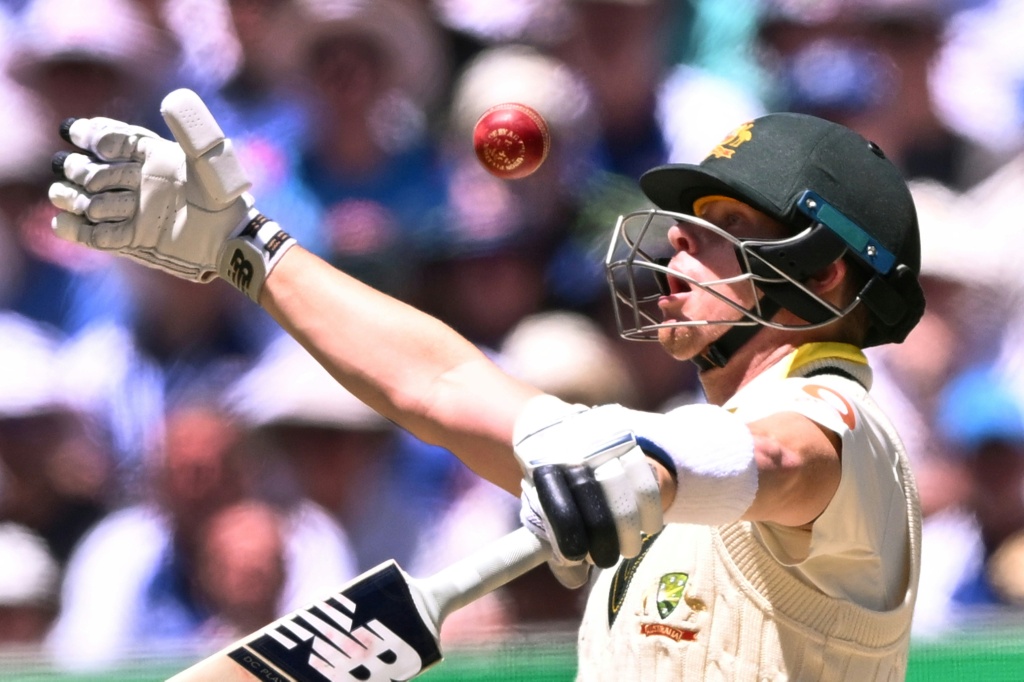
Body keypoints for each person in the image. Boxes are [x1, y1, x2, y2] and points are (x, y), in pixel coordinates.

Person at [49, 89, 925, 678]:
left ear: (831, 275)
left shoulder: (844, 437)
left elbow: (780, 457)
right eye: (688, 226)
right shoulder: (651, 448)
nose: (676, 247)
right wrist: (249, 250)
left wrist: (657, 469)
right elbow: (439, 382)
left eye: (725, 227)